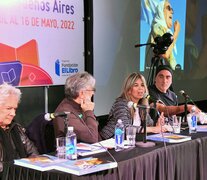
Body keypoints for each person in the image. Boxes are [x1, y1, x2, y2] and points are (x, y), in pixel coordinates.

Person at [99, 72, 167, 140]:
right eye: (136, 85)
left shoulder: (142, 106)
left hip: (130, 141)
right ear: (129, 90)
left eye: (142, 85)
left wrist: (157, 124)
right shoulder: (120, 104)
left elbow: (149, 125)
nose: (140, 88)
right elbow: (126, 127)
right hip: (110, 141)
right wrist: (153, 129)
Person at [53, 72, 100, 144]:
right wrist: (89, 111)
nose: (93, 93)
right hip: (72, 153)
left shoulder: (81, 106)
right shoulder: (65, 112)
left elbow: (96, 136)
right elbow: (92, 138)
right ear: (81, 93)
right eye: (92, 90)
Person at [0, 83, 38, 170]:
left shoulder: (16, 127)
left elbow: (33, 154)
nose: (13, 114)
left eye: (15, 109)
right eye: (9, 108)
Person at [145, 0, 180, 71]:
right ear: (160, 11)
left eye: (172, 9)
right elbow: (165, 54)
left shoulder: (164, 30)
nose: (172, 12)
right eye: (168, 8)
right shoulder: (157, 27)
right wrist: (176, 32)